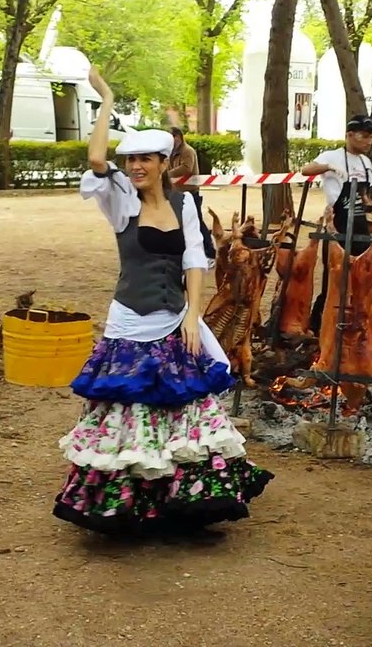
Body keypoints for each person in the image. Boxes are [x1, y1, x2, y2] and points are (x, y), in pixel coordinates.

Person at [52, 67, 272, 537]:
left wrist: (193, 317)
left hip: (174, 317)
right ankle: (126, 501)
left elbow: (195, 261)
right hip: (130, 320)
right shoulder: (119, 202)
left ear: (164, 162)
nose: (134, 167)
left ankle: (180, 498)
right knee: (130, 413)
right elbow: (95, 160)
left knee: (182, 409)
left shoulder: (185, 204)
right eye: (129, 160)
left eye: (144, 160)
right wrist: (106, 97)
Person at [300, 114, 372, 333]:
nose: (368, 140)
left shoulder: (366, 162)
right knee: (334, 277)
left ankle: (353, 325)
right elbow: (305, 170)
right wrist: (329, 168)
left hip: (360, 223)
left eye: (371, 136)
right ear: (349, 135)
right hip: (339, 221)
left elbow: (365, 196)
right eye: (364, 135)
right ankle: (318, 326)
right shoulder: (332, 156)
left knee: (361, 275)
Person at [168, 126, 215, 260]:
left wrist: (167, 174)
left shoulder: (187, 151)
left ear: (179, 137)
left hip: (190, 191)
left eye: (173, 138)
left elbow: (186, 169)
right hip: (177, 191)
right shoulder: (171, 153)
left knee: (198, 222)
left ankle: (209, 250)